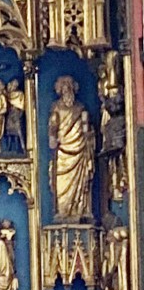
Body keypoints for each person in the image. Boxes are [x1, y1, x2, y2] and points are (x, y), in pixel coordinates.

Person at [48, 76, 94, 221]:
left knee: (81, 181)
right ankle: (63, 211)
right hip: (63, 149)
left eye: (69, 88)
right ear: (60, 90)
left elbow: (86, 128)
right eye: (64, 88)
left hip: (79, 148)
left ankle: (79, 210)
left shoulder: (80, 108)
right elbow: (53, 126)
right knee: (61, 180)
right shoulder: (56, 107)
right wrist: (52, 137)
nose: (67, 91)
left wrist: (88, 134)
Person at [5, 79, 25, 151]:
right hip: (11, 112)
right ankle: (9, 147)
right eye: (12, 84)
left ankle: (22, 147)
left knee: (18, 130)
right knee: (9, 129)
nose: (14, 86)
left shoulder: (20, 94)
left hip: (16, 113)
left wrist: (20, 114)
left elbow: (22, 105)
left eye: (15, 85)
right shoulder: (8, 94)